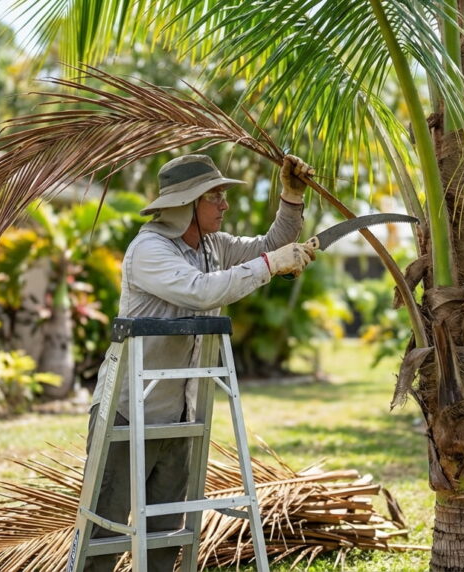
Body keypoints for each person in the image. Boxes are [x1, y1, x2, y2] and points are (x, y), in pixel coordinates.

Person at [82, 153, 316, 571]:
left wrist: (291, 198)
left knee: (167, 536)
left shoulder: (212, 246)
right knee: (105, 535)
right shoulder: (148, 249)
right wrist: (270, 265)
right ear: (186, 203)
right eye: (215, 196)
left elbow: (268, 249)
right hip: (127, 413)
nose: (224, 205)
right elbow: (201, 292)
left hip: (182, 415)